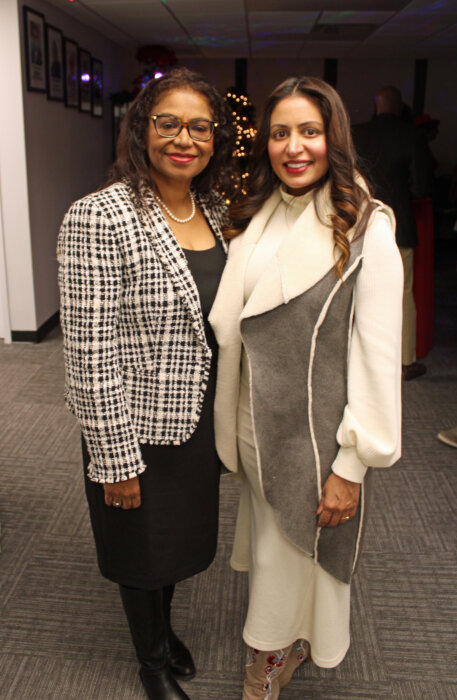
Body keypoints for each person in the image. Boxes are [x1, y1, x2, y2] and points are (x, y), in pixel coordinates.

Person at [209, 76, 403, 699]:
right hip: (250, 423)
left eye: (310, 132)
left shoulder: (365, 225)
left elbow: (377, 355)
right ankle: (283, 639)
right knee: (273, 546)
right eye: (281, 133)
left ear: (334, 138)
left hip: (312, 436)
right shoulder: (257, 214)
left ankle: (267, 657)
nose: (295, 147)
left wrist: (354, 464)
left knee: (288, 556)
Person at [57, 67, 234, 700]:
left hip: (197, 420)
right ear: (141, 128)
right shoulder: (98, 216)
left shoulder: (208, 207)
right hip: (133, 426)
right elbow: (89, 351)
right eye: (168, 123)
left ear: (214, 139)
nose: (183, 138)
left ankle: (164, 628)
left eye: (199, 126)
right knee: (140, 549)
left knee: (178, 543)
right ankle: (151, 662)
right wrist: (114, 460)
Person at [352, 86, 430, 380]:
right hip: (399, 227)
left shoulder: (356, 133)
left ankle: (360, 359)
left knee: (358, 293)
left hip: (359, 225)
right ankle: (404, 362)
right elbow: (422, 188)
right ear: (399, 107)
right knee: (402, 295)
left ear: (376, 105)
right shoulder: (412, 135)